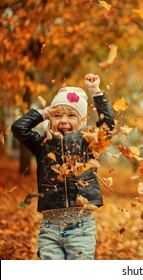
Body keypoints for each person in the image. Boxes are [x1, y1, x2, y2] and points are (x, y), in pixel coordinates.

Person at [11, 73, 116, 260]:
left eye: (71, 115)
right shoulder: (42, 143)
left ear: (81, 122)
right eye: (57, 115)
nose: (64, 120)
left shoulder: (88, 143)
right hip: (50, 228)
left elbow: (108, 124)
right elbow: (19, 128)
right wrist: (43, 113)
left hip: (81, 226)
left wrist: (95, 92)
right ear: (50, 120)